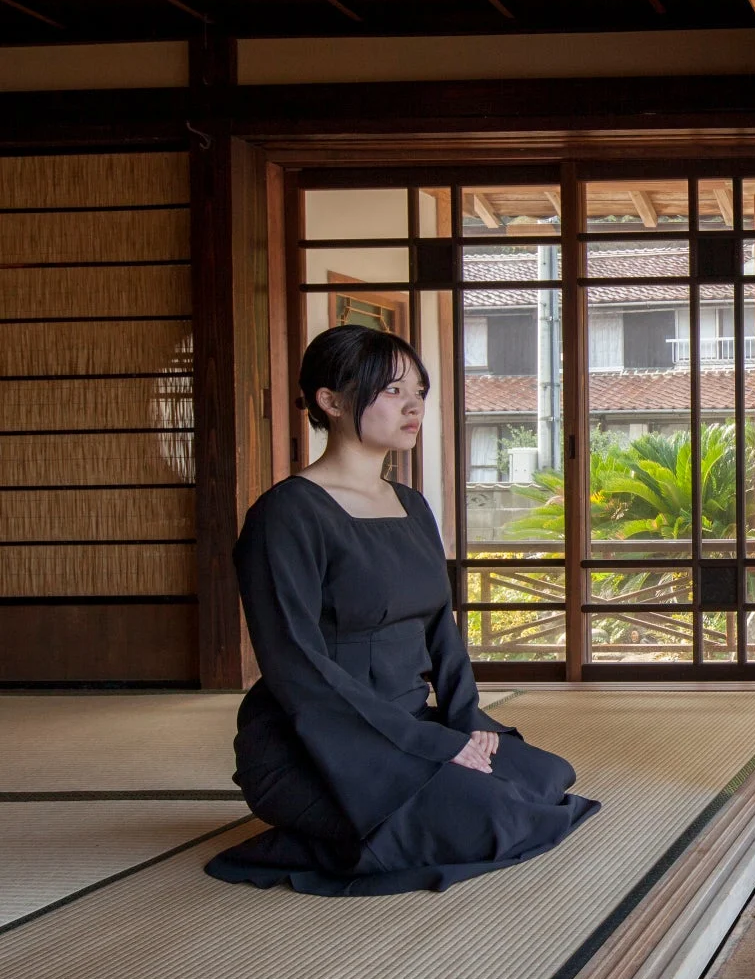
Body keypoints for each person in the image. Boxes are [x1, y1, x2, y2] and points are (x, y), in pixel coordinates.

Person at [206, 325, 598, 896]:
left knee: (544, 779)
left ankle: (403, 813)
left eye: (420, 389)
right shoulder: (286, 515)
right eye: (392, 391)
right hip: (315, 742)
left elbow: (442, 629)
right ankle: (327, 838)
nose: (414, 405)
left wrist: (466, 723)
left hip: (409, 722)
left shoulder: (411, 506)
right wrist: (440, 747)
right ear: (331, 400)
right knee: (502, 818)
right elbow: (295, 663)